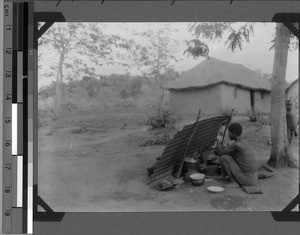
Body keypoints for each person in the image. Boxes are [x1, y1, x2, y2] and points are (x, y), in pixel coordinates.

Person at [216, 122, 258, 188]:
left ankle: (234, 182)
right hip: (254, 177)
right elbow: (229, 151)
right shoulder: (243, 143)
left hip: (247, 179)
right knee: (230, 154)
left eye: (229, 133)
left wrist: (218, 139)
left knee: (223, 158)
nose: (228, 135)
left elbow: (220, 152)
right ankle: (229, 178)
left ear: (234, 133)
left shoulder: (236, 145)